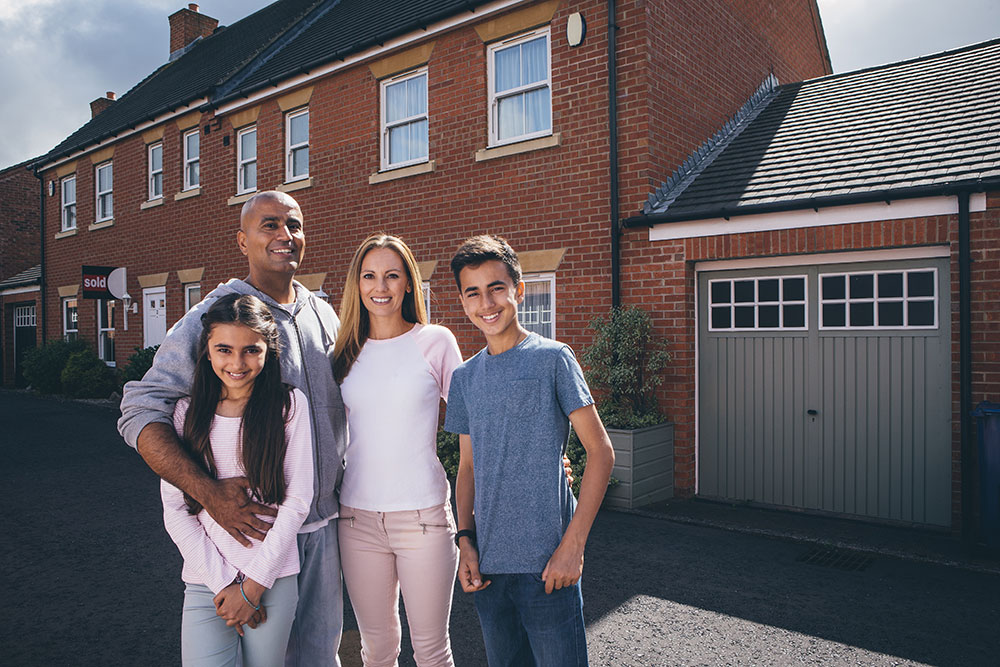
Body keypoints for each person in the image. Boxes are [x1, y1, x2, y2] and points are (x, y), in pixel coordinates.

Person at [118, 191, 347, 667]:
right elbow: (140, 410)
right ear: (242, 241)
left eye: (294, 225)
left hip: (323, 526)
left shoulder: (323, 313)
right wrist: (208, 494)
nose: (285, 235)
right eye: (270, 225)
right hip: (251, 535)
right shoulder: (216, 316)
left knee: (320, 658)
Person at [444, 235, 615, 666]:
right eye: (473, 292)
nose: (486, 303)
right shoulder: (464, 378)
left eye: (496, 288)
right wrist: (465, 542)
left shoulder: (553, 359)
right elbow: (467, 469)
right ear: (462, 301)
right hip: (489, 570)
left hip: (549, 568)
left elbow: (601, 452)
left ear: (519, 290)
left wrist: (573, 547)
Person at [332, 234, 462, 666]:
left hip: (423, 520)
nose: (380, 287)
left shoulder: (436, 342)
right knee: (376, 651)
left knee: (432, 652)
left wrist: (542, 458)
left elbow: (477, 423)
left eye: (392, 275)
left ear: (408, 283)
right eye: (369, 276)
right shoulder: (343, 353)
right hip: (356, 521)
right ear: (357, 285)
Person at [162, 293, 312, 666]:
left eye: (251, 350)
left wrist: (253, 586)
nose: (236, 363)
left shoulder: (289, 406)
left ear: (268, 351)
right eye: (224, 350)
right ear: (207, 351)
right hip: (206, 582)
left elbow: (297, 501)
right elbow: (175, 509)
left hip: (271, 579)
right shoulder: (186, 414)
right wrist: (228, 586)